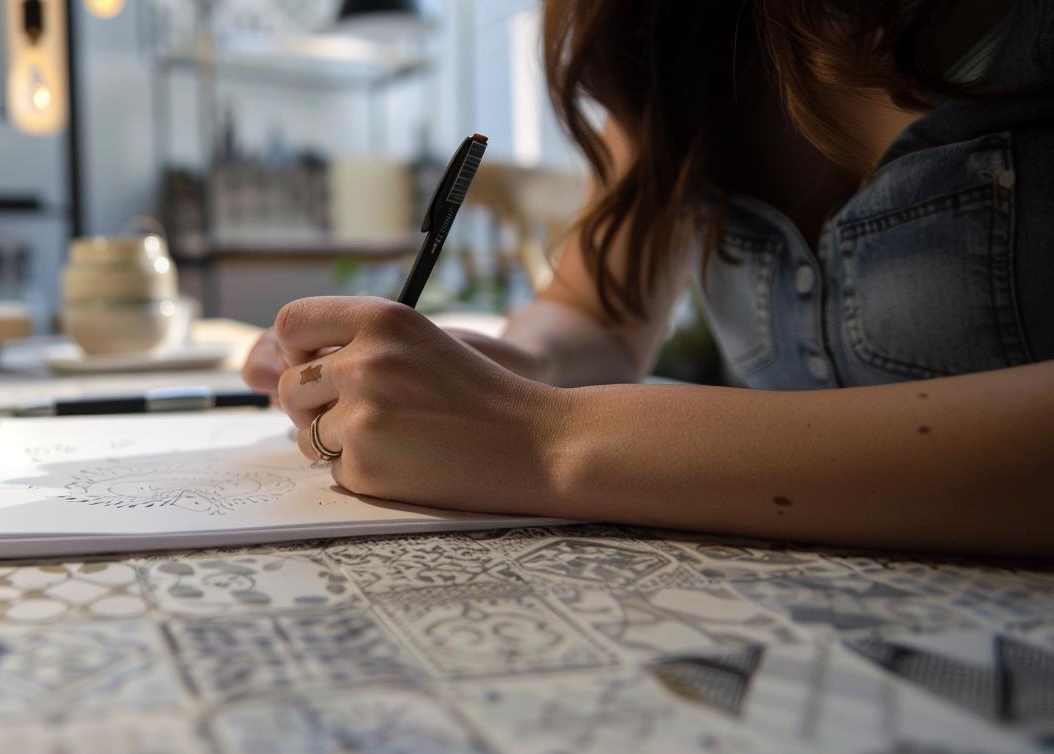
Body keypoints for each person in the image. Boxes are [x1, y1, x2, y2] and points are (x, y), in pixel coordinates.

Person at [242, 0, 1054, 554]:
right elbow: (593, 314)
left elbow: (548, 432)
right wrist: (503, 366)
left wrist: (545, 439)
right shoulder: (670, 37)